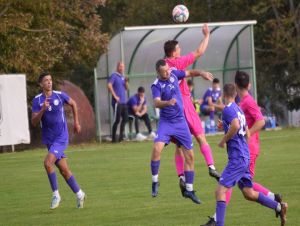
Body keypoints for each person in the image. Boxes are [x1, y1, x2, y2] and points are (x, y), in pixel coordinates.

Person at [202, 72, 285, 226]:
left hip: (238, 157)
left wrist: (223, 140)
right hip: (245, 156)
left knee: (220, 191)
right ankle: (278, 206)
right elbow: (243, 128)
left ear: (223, 94)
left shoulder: (229, 109)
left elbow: (236, 126)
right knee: (248, 192)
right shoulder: (238, 110)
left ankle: (217, 222)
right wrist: (226, 126)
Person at [164, 24, 220, 194]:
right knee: (200, 137)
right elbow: (199, 52)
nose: (181, 50)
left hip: (174, 109)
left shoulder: (163, 65)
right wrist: (207, 35)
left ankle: (181, 176)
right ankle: (211, 166)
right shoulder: (178, 62)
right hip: (186, 104)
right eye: (179, 48)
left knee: (179, 146)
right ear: (174, 52)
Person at [150, 59, 213, 204]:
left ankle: (189, 190)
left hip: (180, 122)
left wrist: (201, 73)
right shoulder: (156, 85)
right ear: (158, 72)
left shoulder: (173, 74)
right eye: (164, 71)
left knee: (190, 156)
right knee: (156, 148)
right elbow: (156, 102)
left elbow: (189, 72)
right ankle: (155, 181)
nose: (167, 72)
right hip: (166, 123)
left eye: (167, 69)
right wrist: (168, 102)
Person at [31, 72, 86, 209]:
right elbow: (34, 122)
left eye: (50, 80)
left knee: (47, 163)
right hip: (49, 140)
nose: (49, 82)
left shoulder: (59, 95)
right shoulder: (37, 100)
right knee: (64, 170)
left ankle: (56, 194)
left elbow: (73, 104)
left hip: (61, 137)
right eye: (46, 80)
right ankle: (80, 194)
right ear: (41, 84)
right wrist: (43, 109)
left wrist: (76, 123)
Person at [107, 61, 129, 142]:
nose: (122, 68)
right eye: (121, 67)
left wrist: (126, 82)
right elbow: (109, 86)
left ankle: (120, 137)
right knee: (116, 120)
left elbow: (126, 88)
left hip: (124, 102)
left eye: (123, 67)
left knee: (126, 118)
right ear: (118, 67)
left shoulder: (123, 77)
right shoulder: (114, 75)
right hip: (117, 102)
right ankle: (113, 138)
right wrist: (115, 96)